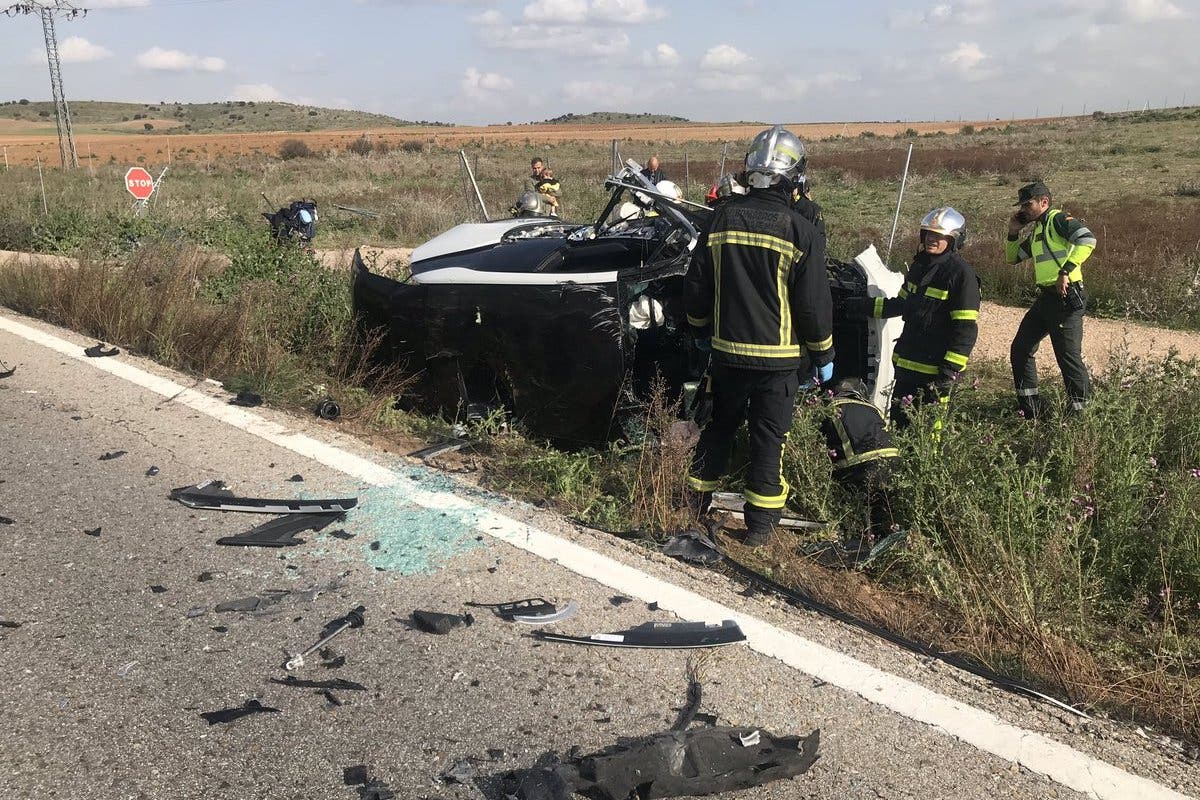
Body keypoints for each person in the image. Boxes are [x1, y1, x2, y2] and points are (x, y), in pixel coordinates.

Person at [684, 125, 834, 547]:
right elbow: (812, 304)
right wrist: (824, 353)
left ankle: (692, 505)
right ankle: (760, 528)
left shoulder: (722, 219)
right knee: (769, 439)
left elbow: (696, 286)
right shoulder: (800, 231)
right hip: (779, 360)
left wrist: (699, 331)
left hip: (727, 355)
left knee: (719, 428)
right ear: (795, 177)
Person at [846, 207, 980, 429]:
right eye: (928, 234)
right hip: (907, 369)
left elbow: (965, 330)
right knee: (900, 429)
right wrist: (860, 306)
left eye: (938, 236)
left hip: (935, 376)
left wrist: (949, 374)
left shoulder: (961, 275)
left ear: (954, 239)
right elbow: (900, 305)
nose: (931, 239)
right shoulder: (919, 267)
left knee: (927, 438)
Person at [1005, 181, 1097, 417]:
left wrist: (1065, 271)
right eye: (1022, 205)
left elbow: (1087, 240)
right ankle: (1031, 408)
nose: (1023, 209)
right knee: (1021, 348)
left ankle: (1083, 413)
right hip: (1046, 298)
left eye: (1028, 204)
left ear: (1044, 202)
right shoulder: (1038, 229)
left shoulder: (1057, 220)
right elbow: (1013, 258)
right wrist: (1013, 232)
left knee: (1068, 358)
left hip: (1066, 296)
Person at [818, 377, 900, 561]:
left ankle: (860, 544)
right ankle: (887, 551)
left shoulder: (828, 408)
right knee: (882, 510)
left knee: (858, 514)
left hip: (859, 467)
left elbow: (819, 449)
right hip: (893, 463)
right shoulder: (872, 408)